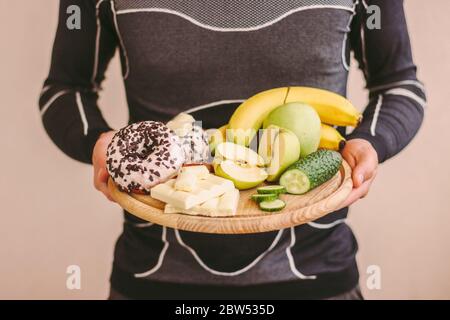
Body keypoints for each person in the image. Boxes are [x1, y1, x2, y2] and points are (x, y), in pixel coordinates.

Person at [39, 0, 425, 300]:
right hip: (153, 278)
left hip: (317, 277)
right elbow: (65, 88)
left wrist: (370, 142)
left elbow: (399, 85)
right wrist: (99, 141)